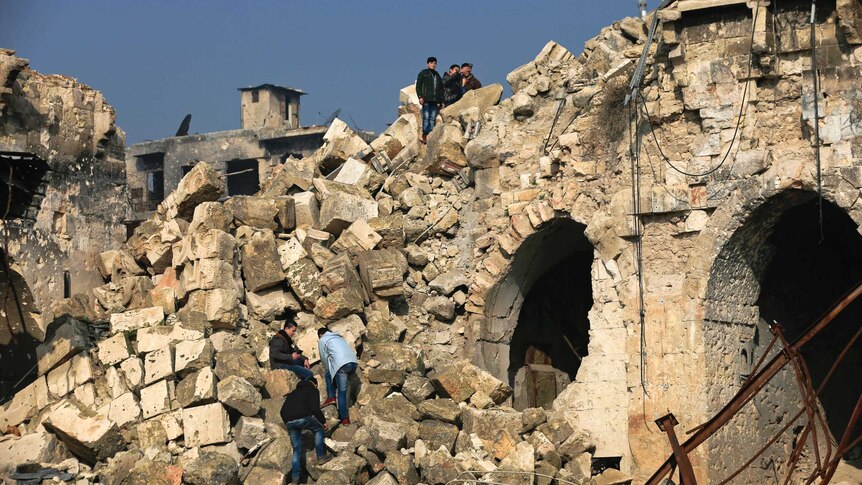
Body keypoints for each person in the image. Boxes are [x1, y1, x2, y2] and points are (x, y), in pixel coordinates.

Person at [280, 378, 331, 483]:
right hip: (302, 418)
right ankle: (321, 457)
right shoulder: (312, 390)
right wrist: (323, 421)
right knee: (319, 429)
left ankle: (295, 479)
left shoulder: (293, 393)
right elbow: (315, 408)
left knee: (296, 450)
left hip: (288, 421)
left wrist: (288, 421)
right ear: (315, 384)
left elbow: (282, 410)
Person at [317, 327, 358, 425]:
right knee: (335, 375)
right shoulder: (339, 337)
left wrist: (328, 371)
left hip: (342, 367)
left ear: (320, 335)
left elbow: (324, 358)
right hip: (353, 364)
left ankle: (344, 417)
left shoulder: (322, 340)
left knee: (341, 391)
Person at [416, 56, 444, 144]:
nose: (433, 65)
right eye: (431, 63)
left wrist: (441, 101)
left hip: (435, 101)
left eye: (435, 63)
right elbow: (418, 86)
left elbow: (441, 88)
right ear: (427, 64)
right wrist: (420, 96)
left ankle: (431, 135)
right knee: (426, 117)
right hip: (426, 100)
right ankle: (424, 135)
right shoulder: (423, 73)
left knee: (432, 119)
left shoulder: (437, 75)